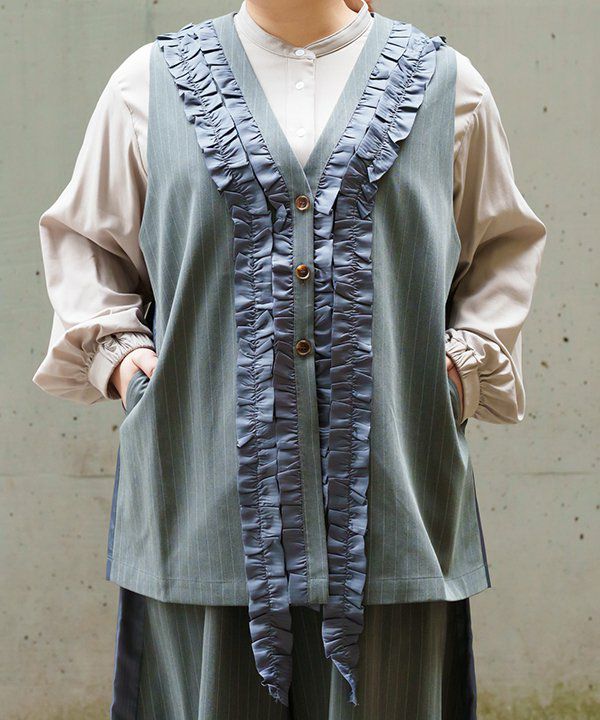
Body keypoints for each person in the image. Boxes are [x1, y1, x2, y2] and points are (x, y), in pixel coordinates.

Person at [32, 0, 547, 717]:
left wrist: (458, 373)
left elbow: (500, 252)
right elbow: (85, 246)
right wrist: (122, 362)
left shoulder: (448, 88)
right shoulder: (146, 86)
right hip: (200, 510)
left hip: (394, 513)